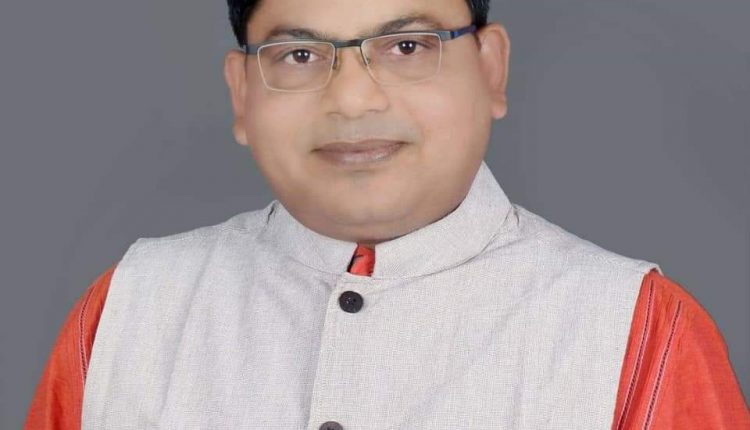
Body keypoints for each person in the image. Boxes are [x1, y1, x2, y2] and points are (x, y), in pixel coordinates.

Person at [25, 0, 749, 429]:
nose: (352, 99)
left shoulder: (636, 329)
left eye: (406, 46)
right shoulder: (131, 308)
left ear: (491, 69)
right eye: (299, 54)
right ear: (242, 93)